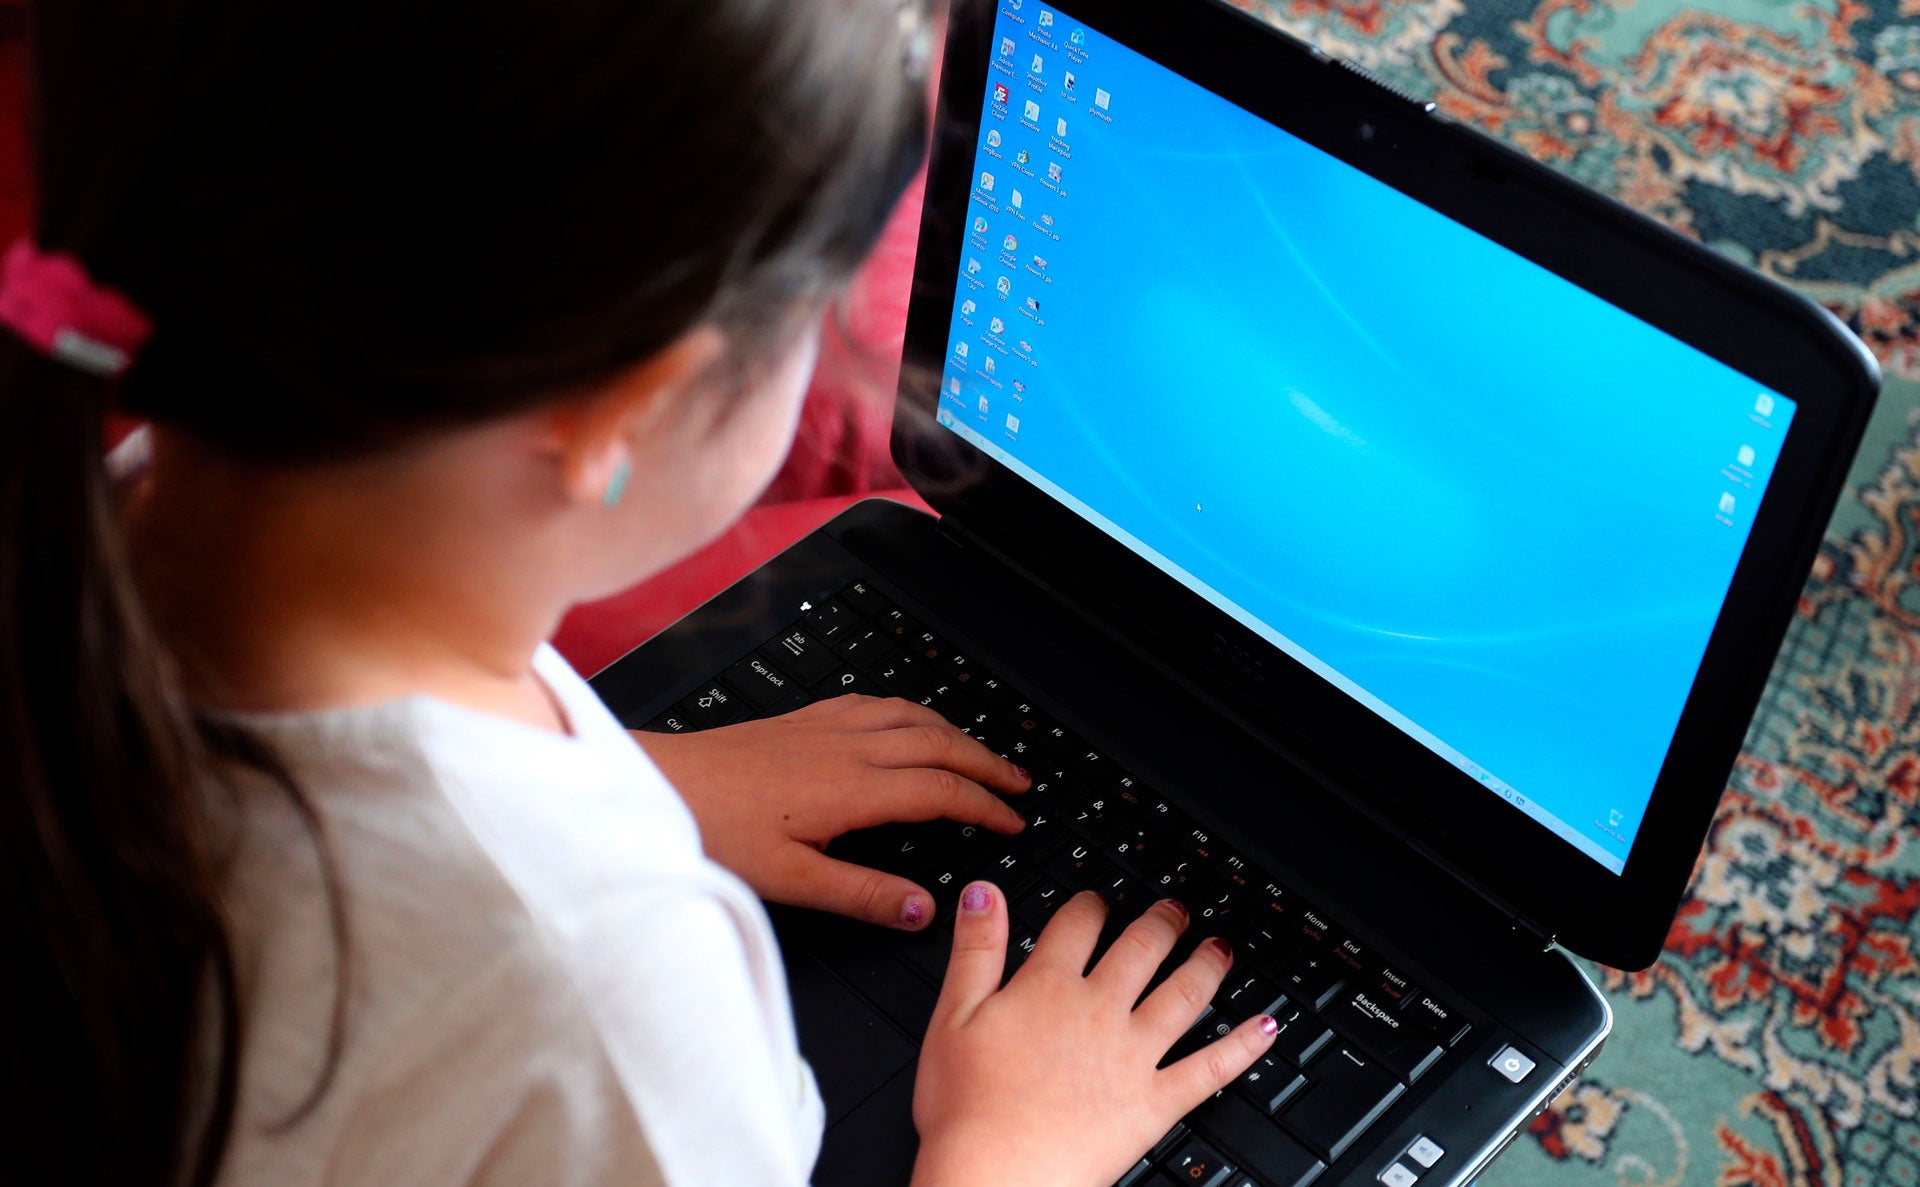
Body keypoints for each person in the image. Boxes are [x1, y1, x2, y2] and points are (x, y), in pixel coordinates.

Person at [0, 2, 1280, 1185]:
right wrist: (1009, 1150)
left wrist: (641, 778)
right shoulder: (613, 983)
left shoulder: (115, 515)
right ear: (626, 409)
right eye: (816, 309)